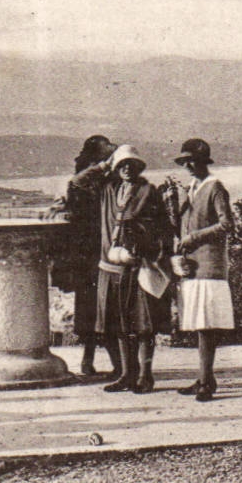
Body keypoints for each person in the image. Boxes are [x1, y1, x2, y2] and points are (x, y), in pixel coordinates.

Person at [94, 145, 174, 393]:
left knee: (143, 325)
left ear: (139, 167)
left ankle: (145, 376)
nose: (127, 168)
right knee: (119, 325)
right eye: (122, 164)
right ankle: (127, 374)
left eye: (131, 164)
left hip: (138, 267)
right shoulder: (109, 190)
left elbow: (162, 227)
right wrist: (105, 164)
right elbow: (78, 183)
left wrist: (142, 243)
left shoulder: (147, 191)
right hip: (111, 267)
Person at [168, 138, 236, 401]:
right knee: (200, 324)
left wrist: (194, 237)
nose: (188, 166)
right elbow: (183, 224)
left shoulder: (214, 187)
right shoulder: (191, 189)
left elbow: (227, 224)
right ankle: (204, 378)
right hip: (193, 266)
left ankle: (206, 381)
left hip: (210, 266)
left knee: (206, 325)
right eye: (185, 162)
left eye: (192, 161)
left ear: (203, 162)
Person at [56, 135, 121, 377]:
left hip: (97, 253)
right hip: (90, 255)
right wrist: (104, 165)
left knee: (101, 309)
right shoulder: (84, 182)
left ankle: (101, 361)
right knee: (96, 309)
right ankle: (102, 361)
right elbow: (78, 182)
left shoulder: (103, 182)